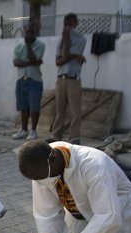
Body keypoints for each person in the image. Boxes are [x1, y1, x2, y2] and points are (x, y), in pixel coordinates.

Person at [50, 13, 87, 144]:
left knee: (75, 110)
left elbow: (64, 56)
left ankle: (74, 137)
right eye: (66, 23)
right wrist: (76, 56)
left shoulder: (81, 39)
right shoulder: (61, 40)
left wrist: (67, 47)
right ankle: (56, 136)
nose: (67, 26)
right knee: (59, 110)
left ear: (76, 24)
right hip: (61, 78)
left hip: (73, 79)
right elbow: (58, 62)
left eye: (70, 23)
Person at [12, 23, 45, 141]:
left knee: (34, 107)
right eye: (27, 32)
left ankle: (33, 131)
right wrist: (34, 62)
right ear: (24, 31)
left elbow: (33, 58)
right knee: (23, 106)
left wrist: (29, 46)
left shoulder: (40, 45)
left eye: (31, 32)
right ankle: (24, 129)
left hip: (34, 80)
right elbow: (16, 63)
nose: (29, 34)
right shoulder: (19, 46)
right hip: (21, 79)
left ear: (35, 32)